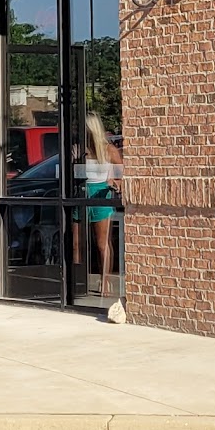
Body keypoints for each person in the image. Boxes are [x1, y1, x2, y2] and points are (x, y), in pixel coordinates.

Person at [81, 112, 123, 297]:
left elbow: (122, 174)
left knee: (102, 243)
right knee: (76, 242)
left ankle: (105, 281)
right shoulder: (81, 149)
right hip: (82, 193)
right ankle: (77, 282)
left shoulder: (108, 150)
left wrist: (114, 181)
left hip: (100, 195)